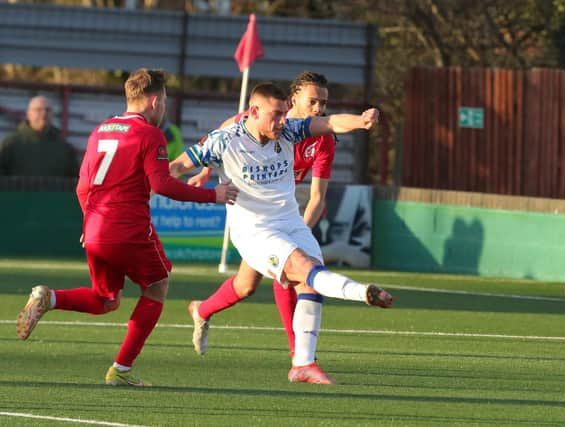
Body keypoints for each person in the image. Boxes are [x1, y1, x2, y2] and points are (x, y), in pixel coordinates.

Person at [15, 68, 239, 387]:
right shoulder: (149, 134)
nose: (163, 108)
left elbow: (82, 187)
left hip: (95, 226)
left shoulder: (100, 130)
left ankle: (48, 297)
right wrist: (212, 195)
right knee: (158, 284)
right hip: (129, 227)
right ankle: (121, 369)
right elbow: (161, 185)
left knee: (107, 299)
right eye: (163, 101)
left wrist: (89, 219)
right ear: (152, 101)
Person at [170, 82, 392, 385]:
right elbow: (178, 166)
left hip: (290, 222)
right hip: (254, 229)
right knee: (303, 268)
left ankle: (302, 364)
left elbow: (329, 123)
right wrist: (142, 180)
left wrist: (361, 121)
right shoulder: (226, 140)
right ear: (254, 112)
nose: (282, 121)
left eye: (284, 113)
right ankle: (362, 293)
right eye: (276, 114)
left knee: (288, 285)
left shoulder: (290, 129)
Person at [187, 71, 337, 359]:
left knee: (246, 286)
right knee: (287, 274)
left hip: (280, 216)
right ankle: (300, 354)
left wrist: (295, 236)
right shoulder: (266, 117)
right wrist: (206, 169)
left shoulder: (321, 139)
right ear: (294, 100)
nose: (320, 109)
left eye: (324, 103)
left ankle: (201, 309)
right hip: (251, 212)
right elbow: (224, 131)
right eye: (313, 101)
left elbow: (317, 197)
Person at [0, 95, 78, 176]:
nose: (44, 113)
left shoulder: (64, 148)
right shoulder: (10, 144)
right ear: (28, 114)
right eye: (38, 110)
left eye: (48, 110)